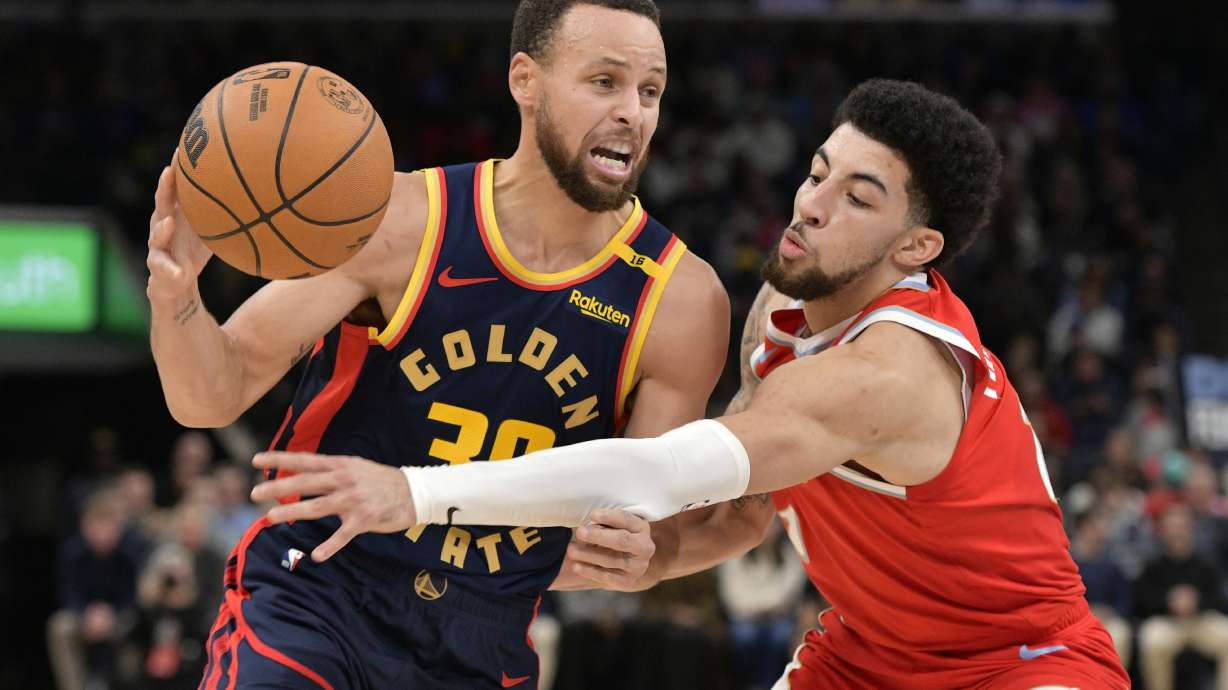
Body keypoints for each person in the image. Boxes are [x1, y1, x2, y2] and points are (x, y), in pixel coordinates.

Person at [253, 79, 1131, 689]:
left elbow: (659, 472)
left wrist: (413, 492)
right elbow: (748, 513)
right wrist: (658, 559)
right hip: (866, 657)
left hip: (1022, 661)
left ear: (917, 249)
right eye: (820, 171)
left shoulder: (888, 371)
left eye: (859, 198)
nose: (812, 203)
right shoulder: (782, 309)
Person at [146, 1, 728, 687]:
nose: (634, 111)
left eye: (650, 90)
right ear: (525, 80)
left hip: (481, 636)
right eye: (605, 81)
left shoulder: (682, 302)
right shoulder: (400, 220)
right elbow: (211, 395)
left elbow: (632, 530)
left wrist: (637, 553)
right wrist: (176, 297)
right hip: (321, 589)